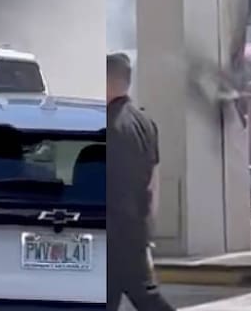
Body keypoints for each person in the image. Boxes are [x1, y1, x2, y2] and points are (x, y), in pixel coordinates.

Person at [106, 52, 175, 311]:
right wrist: (147, 229)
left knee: (145, 296)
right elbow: (152, 182)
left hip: (114, 231)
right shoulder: (145, 122)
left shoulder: (108, 126)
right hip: (134, 228)